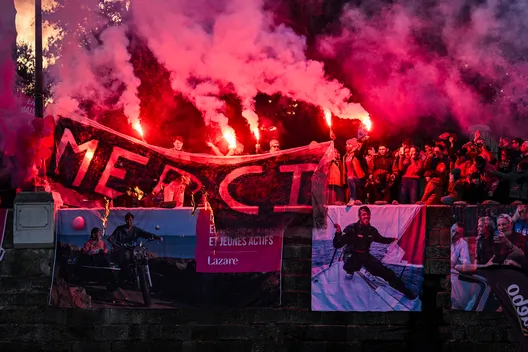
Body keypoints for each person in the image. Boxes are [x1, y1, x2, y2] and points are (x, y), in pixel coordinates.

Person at [332, 206, 417, 299]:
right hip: (351, 256)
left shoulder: (372, 230)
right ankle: (350, 271)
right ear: (359, 216)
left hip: (365, 255)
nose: (366, 216)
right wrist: (338, 233)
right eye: (364, 214)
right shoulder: (351, 228)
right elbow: (337, 245)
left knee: (386, 272)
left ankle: (406, 292)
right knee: (352, 266)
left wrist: (393, 239)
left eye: (368, 214)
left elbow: (381, 239)